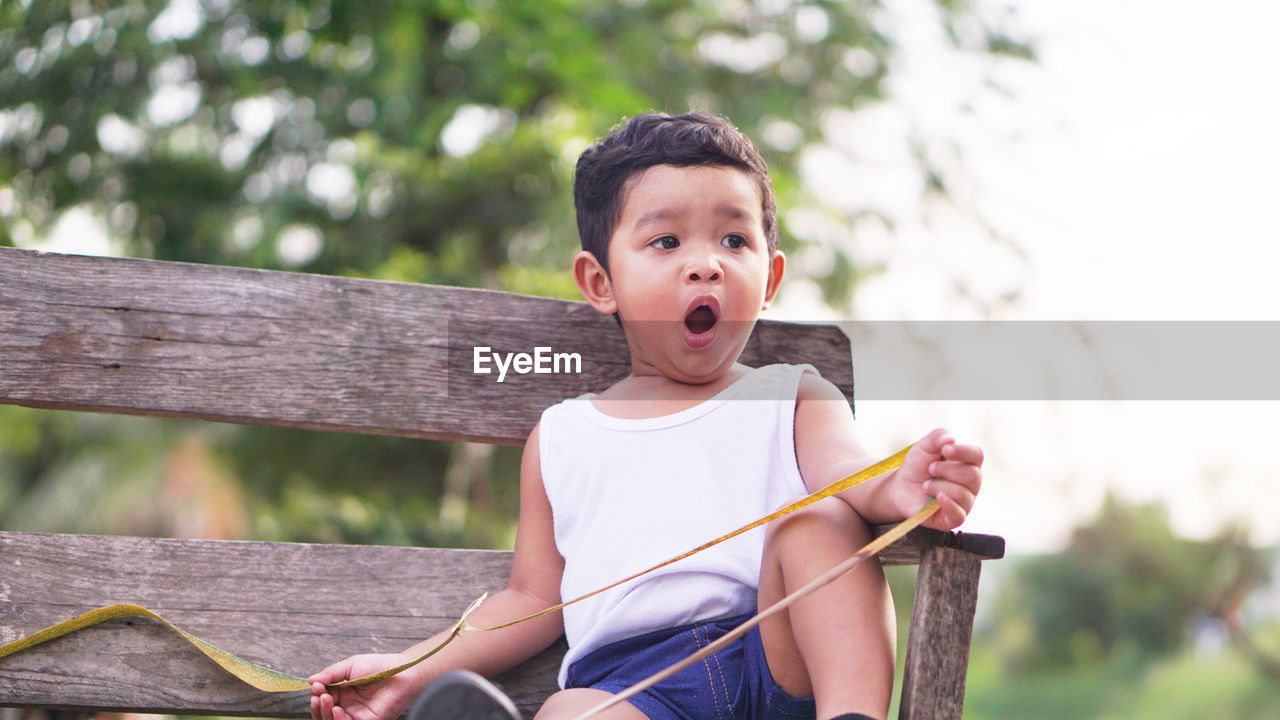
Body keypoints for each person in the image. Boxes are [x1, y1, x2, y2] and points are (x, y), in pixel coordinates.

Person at [309, 112, 983, 720]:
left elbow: (850, 476)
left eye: (733, 240)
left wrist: (900, 485)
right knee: (569, 712)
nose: (705, 265)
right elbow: (528, 601)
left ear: (771, 279)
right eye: (666, 242)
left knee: (822, 521)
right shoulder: (563, 438)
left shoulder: (793, 397)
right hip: (632, 692)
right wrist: (407, 674)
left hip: (774, 655)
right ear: (601, 282)